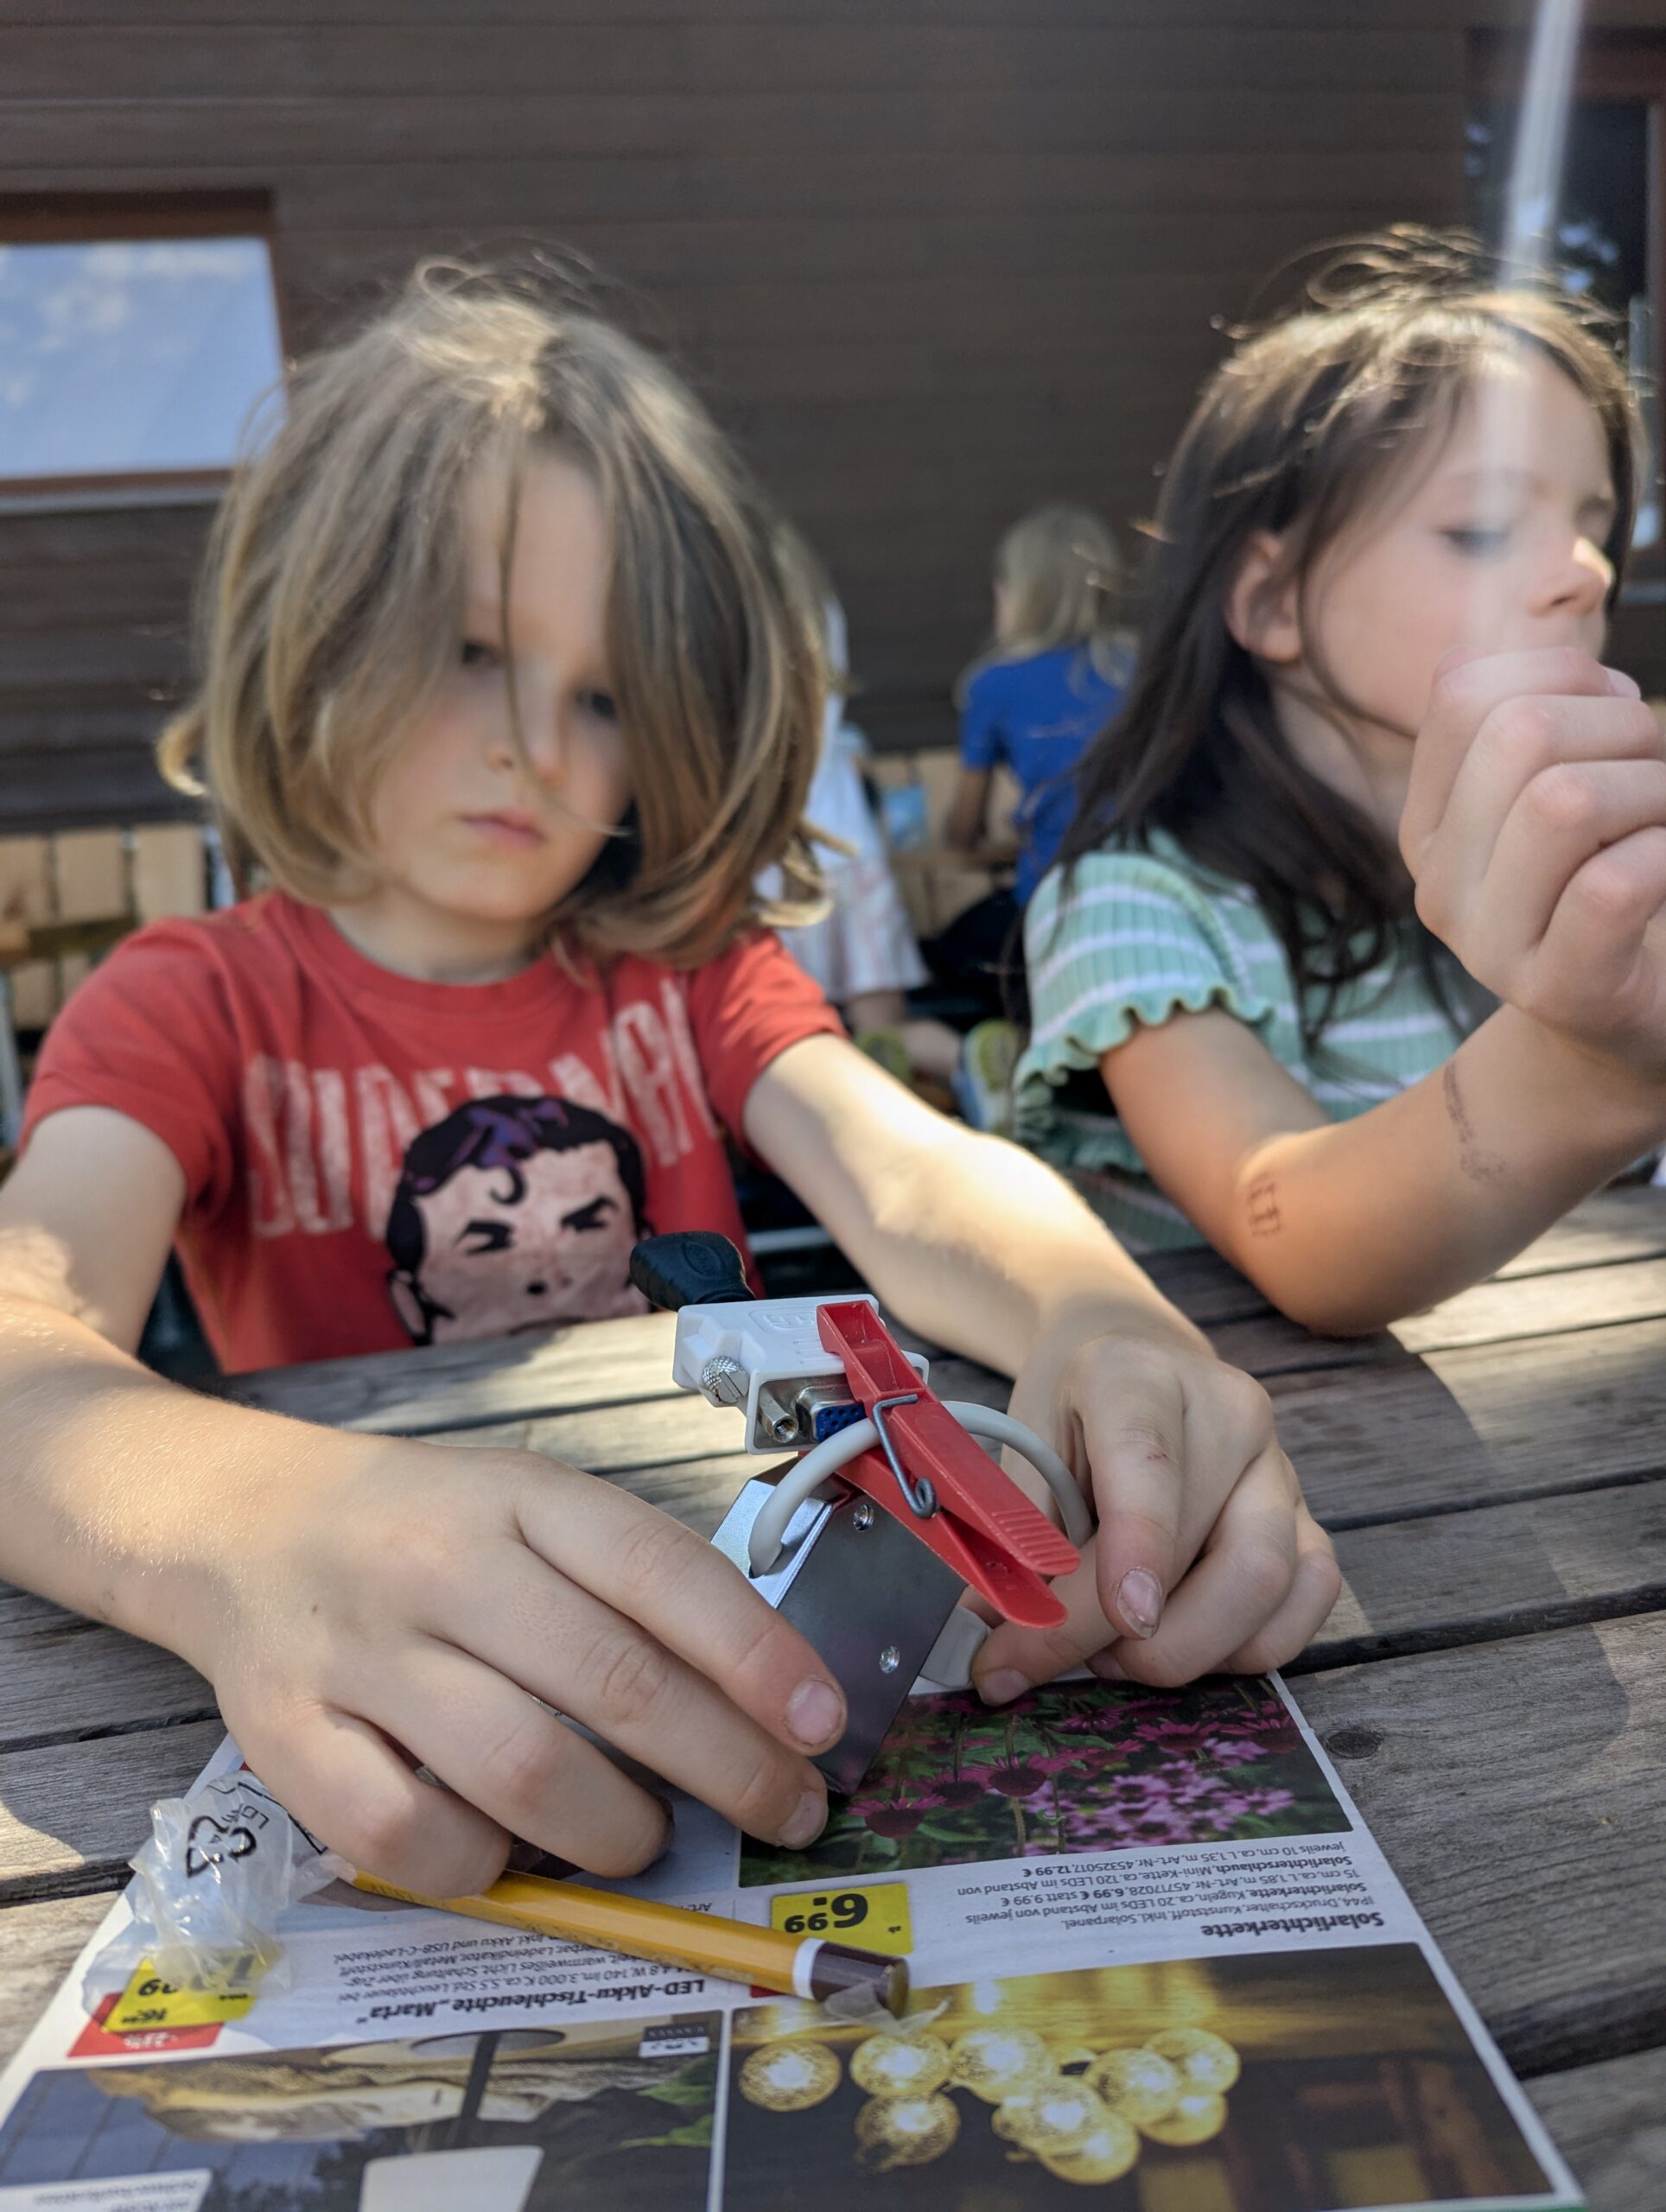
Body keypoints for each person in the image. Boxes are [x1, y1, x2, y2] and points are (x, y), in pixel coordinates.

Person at [0, 266, 1337, 1904]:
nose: (536, 746)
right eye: (471, 651)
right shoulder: (190, 1002)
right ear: (320, 623)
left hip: (733, 1678)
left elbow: (904, 1168)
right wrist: (253, 1524)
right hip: (391, 1748)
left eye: (606, 692)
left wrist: (1102, 1316)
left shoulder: (693, 969)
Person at [1016, 231, 1666, 1332]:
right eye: (1481, 528)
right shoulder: (1134, 905)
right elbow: (1284, 1221)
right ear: (1270, 601)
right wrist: (1592, 1069)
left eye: (1596, 526)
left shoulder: (1585, 862)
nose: (1583, 571)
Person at [936, 504, 1135, 1126]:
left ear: (1016, 595)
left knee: (951, 952)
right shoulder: (1140, 667)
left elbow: (962, 832)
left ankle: (1013, 1060)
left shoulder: (994, 685)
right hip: (1152, 887)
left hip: (1053, 899)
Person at [757, 533, 961, 1093]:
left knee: (789, 1033)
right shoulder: (822, 618)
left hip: (781, 867)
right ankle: (971, 1063)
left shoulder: (750, 643)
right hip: (855, 854)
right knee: (885, 1030)